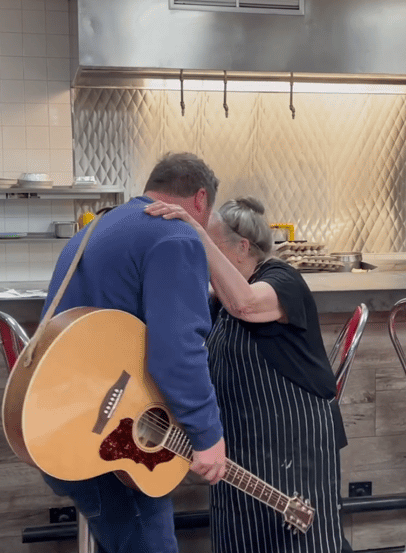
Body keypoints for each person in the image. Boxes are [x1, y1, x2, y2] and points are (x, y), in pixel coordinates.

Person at [39, 152, 228, 553]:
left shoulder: (100, 227)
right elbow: (177, 352)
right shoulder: (175, 235)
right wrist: (207, 434)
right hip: (106, 438)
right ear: (199, 200)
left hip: (60, 426)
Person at [146, 196, 350, 553]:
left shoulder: (282, 280)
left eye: (211, 245)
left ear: (242, 247)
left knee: (300, 540)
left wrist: (195, 229)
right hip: (240, 441)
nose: (204, 254)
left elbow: (247, 304)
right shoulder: (219, 297)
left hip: (293, 442)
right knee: (240, 536)